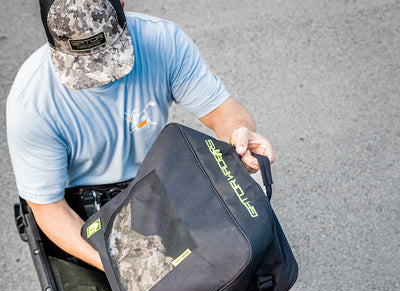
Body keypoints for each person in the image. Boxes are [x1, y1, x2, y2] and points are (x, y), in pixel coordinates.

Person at [7, 0, 275, 272]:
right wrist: (117, 268)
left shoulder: (162, 42)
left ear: (122, 4)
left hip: (157, 180)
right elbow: (48, 208)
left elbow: (221, 111)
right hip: (81, 208)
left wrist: (239, 134)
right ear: (48, 31)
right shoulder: (31, 102)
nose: (102, 76)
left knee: (228, 266)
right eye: (85, 62)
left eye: (108, 54)